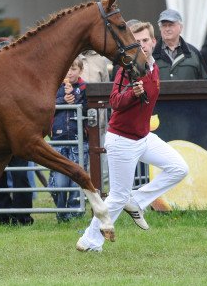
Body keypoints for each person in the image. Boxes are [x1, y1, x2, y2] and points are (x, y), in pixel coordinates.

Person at [76, 21, 188, 252]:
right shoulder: (126, 69)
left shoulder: (154, 67)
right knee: (117, 197)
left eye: (145, 40)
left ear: (153, 42)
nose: (142, 45)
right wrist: (131, 94)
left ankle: (136, 200)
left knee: (179, 168)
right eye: (136, 42)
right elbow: (115, 102)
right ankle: (89, 240)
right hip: (122, 139)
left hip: (143, 137)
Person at [0, 37, 34, 226]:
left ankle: (22, 217)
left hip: (16, 135)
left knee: (20, 175)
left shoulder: (22, 76)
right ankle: (4, 216)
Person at [49, 56, 88, 222]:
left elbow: (88, 108)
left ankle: (74, 215)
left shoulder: (85, 87)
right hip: (58, 140)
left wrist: (75, 99)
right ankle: (61, 212)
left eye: (73, 69)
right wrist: (62, 100)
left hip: (79, 140)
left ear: (80, 70)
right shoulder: (53, 87)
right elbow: (45, 105)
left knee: (76, 181)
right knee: (58, 182)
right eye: (67, 68)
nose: (69, 72)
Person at [152, 9, 207, 80]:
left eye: (171, 25)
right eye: (164, 25)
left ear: (181, 28)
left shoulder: (193, 52)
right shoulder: (151, 55)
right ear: (160, 28)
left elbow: (206, 81)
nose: (167, 29)